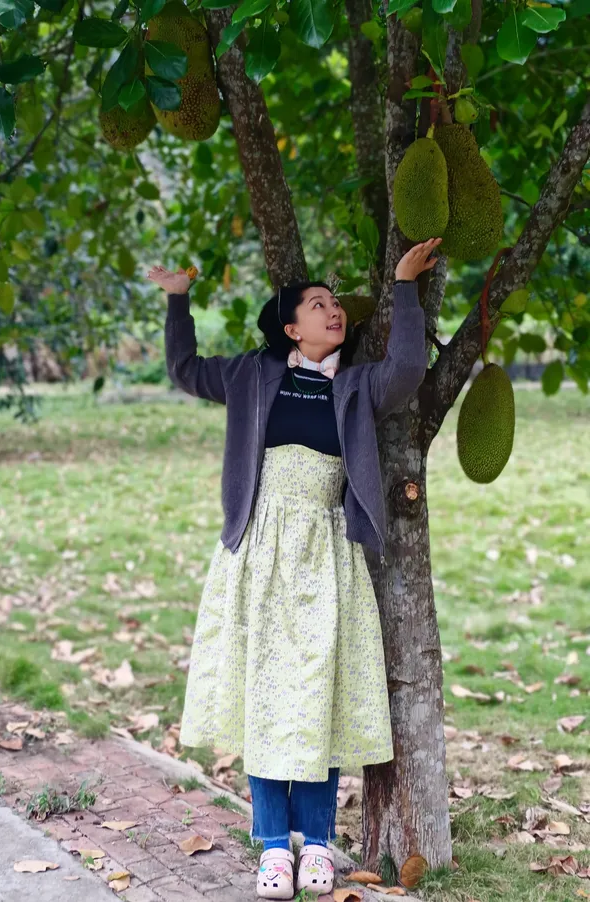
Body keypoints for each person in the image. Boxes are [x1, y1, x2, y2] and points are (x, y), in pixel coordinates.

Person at [146, 238, 441, 900]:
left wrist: (405, 285)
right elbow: (185, 368)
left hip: (324, 555)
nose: (332, 311)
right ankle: (273, 847)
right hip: (259, 554)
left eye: (337, 305)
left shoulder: (358, 385)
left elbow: (409, 368)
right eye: (317, 304)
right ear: (290, 327)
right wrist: (177, 299)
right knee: (264, 698)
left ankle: (319, 844)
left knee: (316, 697)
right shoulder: (251, 375)